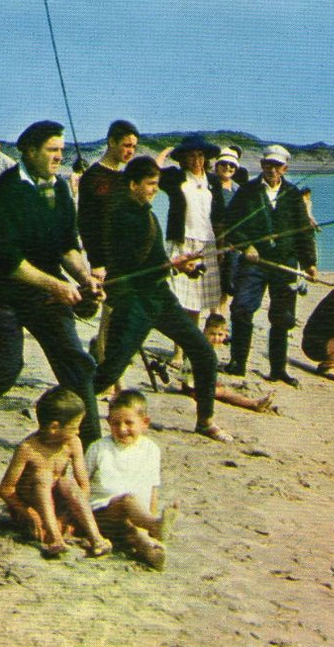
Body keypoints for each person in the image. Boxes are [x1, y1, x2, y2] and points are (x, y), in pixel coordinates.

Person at [0, 120, 103, 455]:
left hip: (45, 293)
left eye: (61, 150)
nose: (59, 156)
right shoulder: (4, 191)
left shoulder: (60, 188)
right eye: (52, 150)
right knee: (7, 365)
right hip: (4, 292)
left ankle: (92, 446)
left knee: (74, 363)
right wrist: (57, 285)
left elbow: (67, 246)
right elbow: (8, 259)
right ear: (29, 151)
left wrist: (85, 278)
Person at [92, 155, 230, 442]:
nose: (155, 189)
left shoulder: (146, 212)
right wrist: (173, 264)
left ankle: (205, 421)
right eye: (150, 184)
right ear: (133, 184)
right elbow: (132, 263)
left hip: (160, 297)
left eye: (156, 184)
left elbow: (155, 258)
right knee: (111, 369)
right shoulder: (121, 215)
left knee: (203, 353)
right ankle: (66, 406)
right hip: (134, 301)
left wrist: (181, 265)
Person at [222, 144, 317, 385]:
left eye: (277, 166)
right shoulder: (247, 191)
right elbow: (229, 226)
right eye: (268, 164)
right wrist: (246, 246)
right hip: (254, 263)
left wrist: (310, 263)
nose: (272, 169)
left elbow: (304, 232)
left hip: (284, 264)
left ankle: (278, 370)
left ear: (285, 168)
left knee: (282, 317)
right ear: (262, 165)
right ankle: (238, 363)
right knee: (242, 308)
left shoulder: (294, 195)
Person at [0, 387, 111, 558]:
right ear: (54, 427)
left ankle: (96, 538)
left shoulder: (72, 443)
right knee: (43, 477)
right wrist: (31, 514)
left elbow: (84, 486)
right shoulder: (28, 449)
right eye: (74, 427)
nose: (78, 432)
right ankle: (54, 538)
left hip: (59, 511)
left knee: (67, 482)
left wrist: (66, 516)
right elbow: (6, 489)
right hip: (31, 513)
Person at [85, 391, 176, 569]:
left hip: (135, 519)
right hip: (102, 515)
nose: (122, 429)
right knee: (128, 501)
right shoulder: (99, 448)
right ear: (108, 422)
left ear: (145, 423)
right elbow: (81, 485)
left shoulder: (151, 450)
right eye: (116, 423)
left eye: (129, 423)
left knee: (136, 534)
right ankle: (155, 526)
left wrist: (149, 519)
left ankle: (151, 551)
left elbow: (152, 488)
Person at [76, 119, 140, 360]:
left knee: (121, 315)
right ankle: (105, 368)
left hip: (125, 257)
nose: (130, 151)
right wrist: (97, 263)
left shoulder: (125, 177)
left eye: (133, 147)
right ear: (111, 142)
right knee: (109, 316)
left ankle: (105, 357)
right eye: (126, 145)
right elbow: (86, 225)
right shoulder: (93, 176)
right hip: (105, 260)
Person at [160, 134, 225, 331]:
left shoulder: (213, 181)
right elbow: (152, 173)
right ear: (183, 159)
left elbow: (220, 217)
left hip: (206, 244)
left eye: (200, 155)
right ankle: (178, 351)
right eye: (190, 156)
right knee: (179, 300)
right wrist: (165, 152)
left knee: (196, 301)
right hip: (182, 242)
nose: (196, 161)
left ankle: (188, 349)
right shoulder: (175, 178)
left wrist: (221, 246)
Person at [211, 147, 244, 309]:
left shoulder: (239, 190)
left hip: (231, 244)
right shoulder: (208, 184)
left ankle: (218, 319)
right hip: (210, 240)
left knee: (226, 285)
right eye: (224, 164)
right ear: (216, 165)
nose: (228, 168)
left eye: (232, 165)